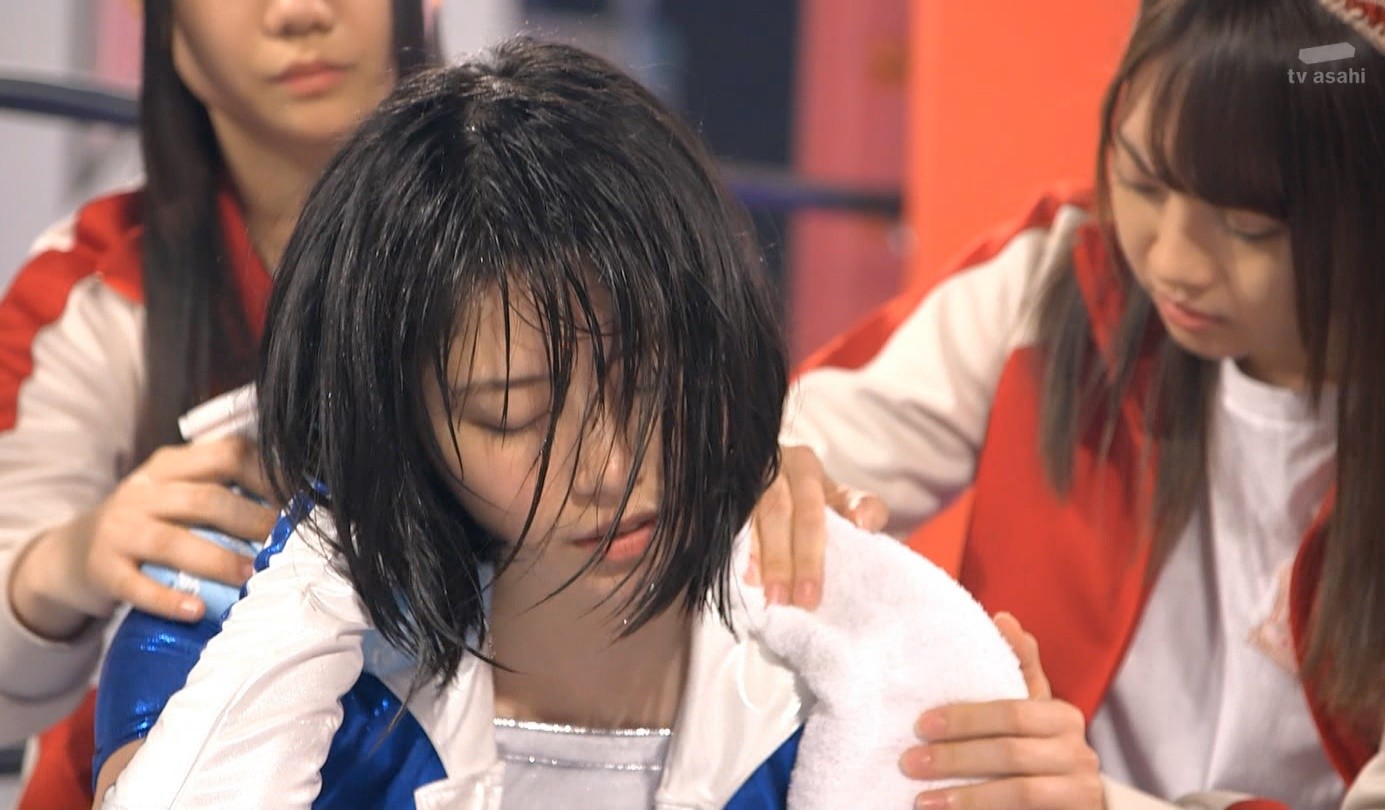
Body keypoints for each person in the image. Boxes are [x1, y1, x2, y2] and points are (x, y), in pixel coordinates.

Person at [90, 40, 1038, 808]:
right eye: (513, 413)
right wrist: (337, 550)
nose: (613, 468)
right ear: (395, 415)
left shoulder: (856, 655)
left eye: (651, 377)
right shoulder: (225, 611)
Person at [777, 0, 1385, 807]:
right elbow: (806, 446)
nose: (1172, 260)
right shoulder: (1063, 280)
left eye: (1249, 227)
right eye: (1140, 181)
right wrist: (779, 488)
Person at [0, 0, 437, 804]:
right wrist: (69, 560)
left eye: (510, 404)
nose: (300, 12)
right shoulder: (92, 293)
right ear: (168, 32)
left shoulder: (543, 256)